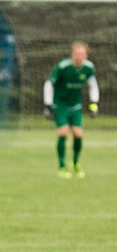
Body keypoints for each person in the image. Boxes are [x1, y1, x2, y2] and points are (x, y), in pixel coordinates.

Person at [43, 41, 99, 179]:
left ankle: (75, 163)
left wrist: (94, 103)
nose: (80, 56)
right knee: (63, 132)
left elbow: (93, 85)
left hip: (75, 105)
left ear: (86, 55)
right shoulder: (63, 67)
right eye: (77, 53)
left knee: (78, 134)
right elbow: (49, 84)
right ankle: (62, 167)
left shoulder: (88, 67)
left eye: (82, 54)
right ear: (72, 54)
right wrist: (48, 105)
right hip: (60, 105)